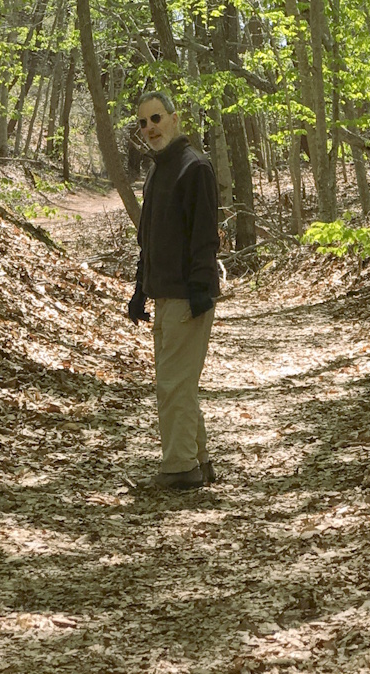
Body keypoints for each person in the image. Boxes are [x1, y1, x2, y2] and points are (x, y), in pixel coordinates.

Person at [127, 89, 221, 489]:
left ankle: (179, 469)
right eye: (143, 122)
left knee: (173, 385)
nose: (150, 128)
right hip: (163, 295)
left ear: (174, 118)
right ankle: (197, 462)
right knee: (178, 384)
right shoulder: (156, 171)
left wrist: (200, 291)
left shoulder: (194, 167)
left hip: (187, 297)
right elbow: (148, 239)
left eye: (156, 118)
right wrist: (140, 289)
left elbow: (205, 236)